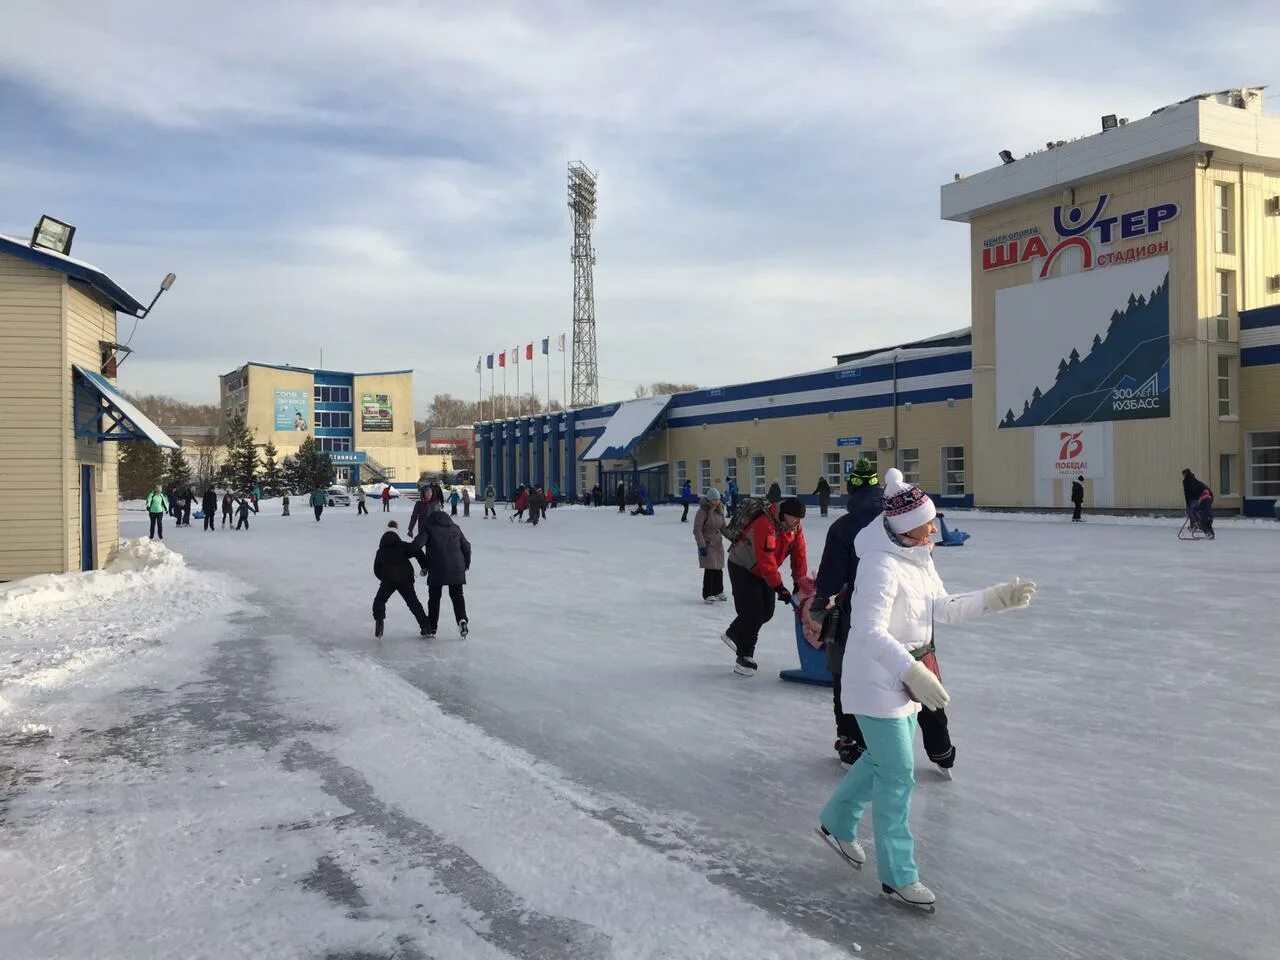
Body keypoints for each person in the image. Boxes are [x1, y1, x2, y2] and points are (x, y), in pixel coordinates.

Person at [817, 468, 1036, 909]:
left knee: (880, 761)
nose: (934, 529)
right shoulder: (880, 565)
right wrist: (912, 672)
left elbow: (943, 608)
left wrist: (994, 599)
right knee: (898, 774)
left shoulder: (918, 557)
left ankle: (836, 821)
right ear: (904, 526)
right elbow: (867, 632)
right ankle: (898, 876)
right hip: (875, 679)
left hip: (905, 674)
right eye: (927, 523)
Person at [812, 457, 882, 766]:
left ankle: (850, 738)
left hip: (856, 612)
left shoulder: (844, 527)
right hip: (899, 613)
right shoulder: (897, 521)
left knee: (846, 673)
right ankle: (896, 741)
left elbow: (830, 578)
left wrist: (820, 599)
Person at [721, 497, 808, 676]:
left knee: (766, 612)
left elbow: (799, 555)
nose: (797, 522)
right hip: (743, 566)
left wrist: (799, 582)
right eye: (794, 517)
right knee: (753, 613)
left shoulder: (794, 529)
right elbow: (765, 559)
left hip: (764, 571)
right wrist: (779, 587)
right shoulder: (765, 524)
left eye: (800, 519)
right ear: (784, 514)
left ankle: (734, 632)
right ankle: (745, 658)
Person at [371, 520, 430, 638]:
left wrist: (384, 577)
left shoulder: (381, 551)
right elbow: (416, 550)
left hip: (388, 579)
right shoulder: (402, 546)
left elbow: (376, 569)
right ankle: (426, 627)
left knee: (379, 601)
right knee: (413, 603)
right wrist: (424, 565)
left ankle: (379, 623)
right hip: (405, 578)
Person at [419, 509, 471, 638]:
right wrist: (466, 564)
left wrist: (422, 562)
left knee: (434, 598)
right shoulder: (455, 528)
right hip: (457, 567)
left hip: (436, 567)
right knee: (457, 595)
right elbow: (466, 546)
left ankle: (432, 627)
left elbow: (417, 545)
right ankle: (462, 620)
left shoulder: (428, 528)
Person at [692, 487, 728, 602]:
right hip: (707, 543)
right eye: (714, 500)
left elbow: (723, 527)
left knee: (719, 568)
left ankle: (718, 591)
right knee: (710, 568)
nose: (717, 502)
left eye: (718, 499)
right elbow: (697, 530)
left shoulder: (720, 510)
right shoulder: (703, 512)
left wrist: (733, 537)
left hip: (718, 543)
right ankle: (708, 593)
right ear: (709, 500)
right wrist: (701, 545)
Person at [1182, 468, 1215, 539]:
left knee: (1202, 522)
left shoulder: (1188, 482)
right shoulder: (1198, 483)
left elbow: (1187, 493)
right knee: (1207, 524)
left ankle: (1196, 525)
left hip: (1198, 505)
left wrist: (1189, 505)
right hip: (1209, 515)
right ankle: (1211, 534)